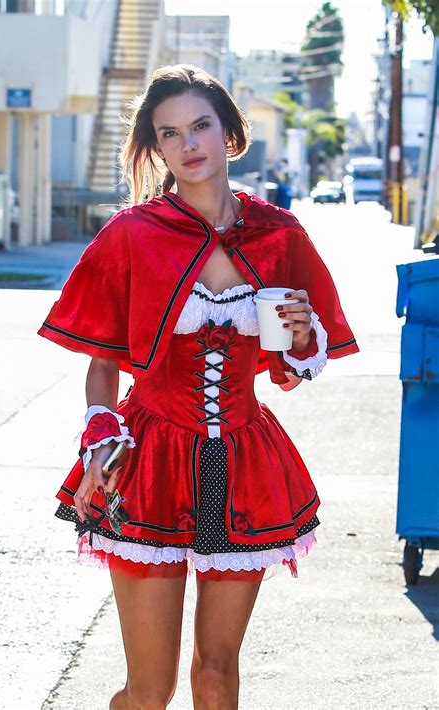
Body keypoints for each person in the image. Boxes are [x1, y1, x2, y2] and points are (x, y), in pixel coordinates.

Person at [38, 64, 359, 710]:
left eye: (201, 126)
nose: (188, 144)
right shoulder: (132, 235)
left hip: (241, 462)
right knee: (149, 691)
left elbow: (294, 368)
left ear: (229, 133)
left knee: (216, 675)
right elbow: (101, 359)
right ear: (156, 148)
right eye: (169, 133)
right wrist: (100, 431)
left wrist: (300, 336)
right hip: (150, 462)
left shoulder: (278, 235)